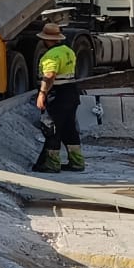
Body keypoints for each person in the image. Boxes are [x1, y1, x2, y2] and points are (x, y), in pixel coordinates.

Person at [34, 21, 84, 172]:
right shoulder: (68, 51)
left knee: (52, 129)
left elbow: (49, 76)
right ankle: (77, 162)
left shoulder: (51, 56)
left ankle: (52, 164)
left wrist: (42, 93)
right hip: (71, 94)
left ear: (46, 39)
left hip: (57, 96)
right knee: (69, 129)